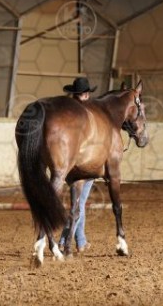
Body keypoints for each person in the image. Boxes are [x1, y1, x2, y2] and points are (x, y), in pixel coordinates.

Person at [59, 77, 96, 253]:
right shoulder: (86, 114)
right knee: (79, 205)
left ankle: (78, 241)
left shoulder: (67, 112)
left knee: (79, 204)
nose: (87, 96)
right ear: (85, 94)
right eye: (86, 94)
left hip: (68, 165)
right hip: (84, 164)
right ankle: (67, 241)